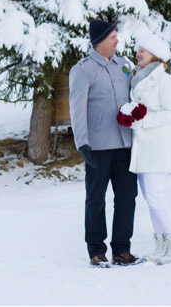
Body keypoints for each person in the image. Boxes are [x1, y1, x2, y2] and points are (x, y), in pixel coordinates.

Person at [69, 20, 140, 266]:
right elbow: (76, 109)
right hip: (98, 147)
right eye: (112, 37)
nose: (117, 41)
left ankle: (122, 250)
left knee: (127, 197)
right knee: (96, 199)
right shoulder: (83, 70)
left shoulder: (124, 66)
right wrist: (82, 144)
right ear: (99, 41)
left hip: (125, 144)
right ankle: (96, 251)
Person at [125, 32, 171, 264]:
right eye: (137, 50)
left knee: (156, 196)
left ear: (156, 55)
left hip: (158, 146)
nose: (137, 54)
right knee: (150, 198)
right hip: (142, 147)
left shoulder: (165, 81)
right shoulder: (139, 78)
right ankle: (161, 244)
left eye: (143, 50)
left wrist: (142, 120)